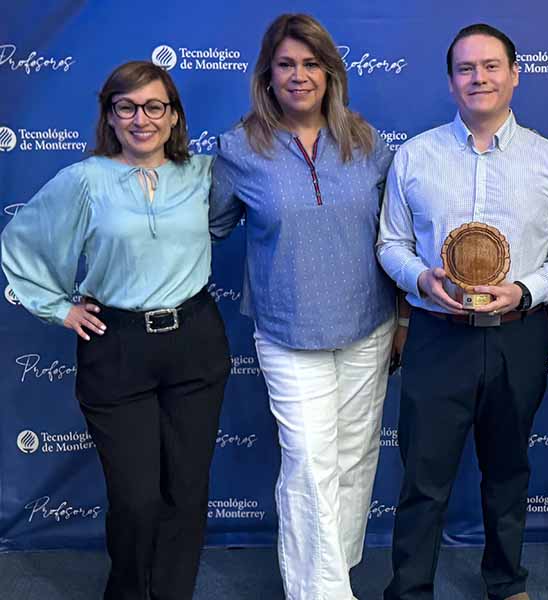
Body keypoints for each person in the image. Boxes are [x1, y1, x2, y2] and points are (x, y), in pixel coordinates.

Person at [1, 61, 229, 600]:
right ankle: (127, 593)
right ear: (110, 115)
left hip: (195, 341)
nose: (140, 118)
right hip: (117, 347)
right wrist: (60, 308)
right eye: (126, 107)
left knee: (187, 491)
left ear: (174, 117)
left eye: (154, 106)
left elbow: (237, 213)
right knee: (135, 498)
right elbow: (19, 246)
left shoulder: (204, 173)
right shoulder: (84, 180)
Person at [377, 23, 548, 600]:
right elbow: (390, 244)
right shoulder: (415, 156)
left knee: (510, 471)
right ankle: (410, 588)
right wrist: (419, 277)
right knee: (424, 476)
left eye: (491, 66)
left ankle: (506, 582)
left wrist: (528, 290)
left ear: (515, 74)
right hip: (438, 336)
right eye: (466, 68)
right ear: (450, 82)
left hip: (519, 335)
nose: (479, 78)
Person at [208, 13, 398, 600]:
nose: (298, 76)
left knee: (354, 460)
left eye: (311, 63)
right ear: (267, 76)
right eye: (286, 65)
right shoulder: (239, 149)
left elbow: (396, 237)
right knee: (310, 468)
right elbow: (206, 228)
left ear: (330, 73)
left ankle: (328, 577)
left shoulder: (367, 143)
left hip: (369, 326)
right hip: (289, 332)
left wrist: (407, 319)